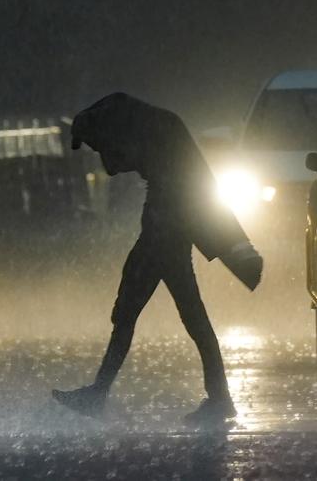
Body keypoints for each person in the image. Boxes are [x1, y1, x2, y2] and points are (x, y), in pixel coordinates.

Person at [52, 93, 264, 424]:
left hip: (163, 234)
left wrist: (231, 243)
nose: (104, 160)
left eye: (98, 147)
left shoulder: (149, 132)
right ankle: (218, 397)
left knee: (133, 313)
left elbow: (120, 166)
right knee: (178, 316)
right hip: (167, 231)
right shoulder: (157, 127)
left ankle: (99, 393)